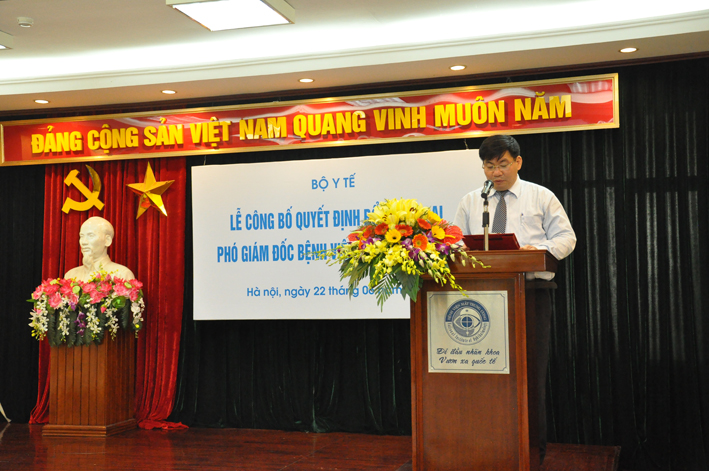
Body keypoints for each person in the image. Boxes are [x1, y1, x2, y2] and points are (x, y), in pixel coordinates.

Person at [453, 134, 576, 464]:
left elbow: (567, 238)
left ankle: (531, 450)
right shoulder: (472, 201)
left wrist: (538, 250)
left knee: (528, 373)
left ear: (518, 162)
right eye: (489, 166)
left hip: (530, 294)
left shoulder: (540, 196)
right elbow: (455, 242)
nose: (496, 172)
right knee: (484, 372)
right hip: (481, 296)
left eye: (503, 164)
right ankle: (484, 444)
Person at [64, 217, 135, 282]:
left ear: (107, 240)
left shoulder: (121, 274)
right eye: (81, 236)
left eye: (91, 235)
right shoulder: (71, 276)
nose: (83, 242)